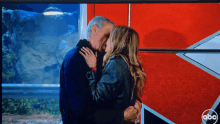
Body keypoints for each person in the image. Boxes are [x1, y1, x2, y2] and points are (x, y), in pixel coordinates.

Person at [59, 16, 142, 124]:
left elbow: (117, 87)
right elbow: (81, 108)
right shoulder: (75, 58)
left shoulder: (108, 57)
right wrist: (122, 115)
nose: (109, 40)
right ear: (94, 29)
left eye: (112, 37)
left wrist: (135, 101)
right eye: (108, 35)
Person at [80, 26, 146, 124]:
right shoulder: (128, 63)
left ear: (117, 41)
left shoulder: (115, 64)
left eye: (110, 37)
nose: (106, 41)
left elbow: (97, 98)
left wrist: (93, 68)